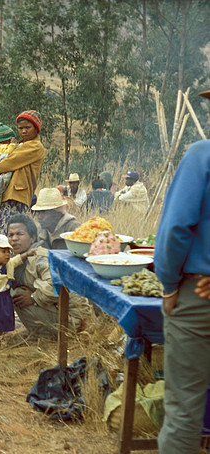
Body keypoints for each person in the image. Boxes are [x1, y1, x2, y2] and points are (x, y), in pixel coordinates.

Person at [154, 137, 210, 454]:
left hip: (197, 298)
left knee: (184, 412)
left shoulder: (202, 154)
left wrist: (169, 285)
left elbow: (175, 228)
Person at [6, 214, 89, 338]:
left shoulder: (40, 257)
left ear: (33, 238)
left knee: (17, 294)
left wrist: (33, 297)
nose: (14, 239)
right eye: (10, 235)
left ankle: (49, 336)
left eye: (19, 234)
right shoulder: (19, 258)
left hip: (74, 320)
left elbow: (56, 285)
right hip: (58, 310)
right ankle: (41, 332)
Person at [0, 110, 46, 235]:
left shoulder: (35, 147)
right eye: (20, 128)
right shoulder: (20, 144)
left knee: (9, 235)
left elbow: (10, 161)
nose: (23, 131)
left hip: (17, 197)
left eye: (27, 128)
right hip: (5, 195)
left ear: (36, 128)